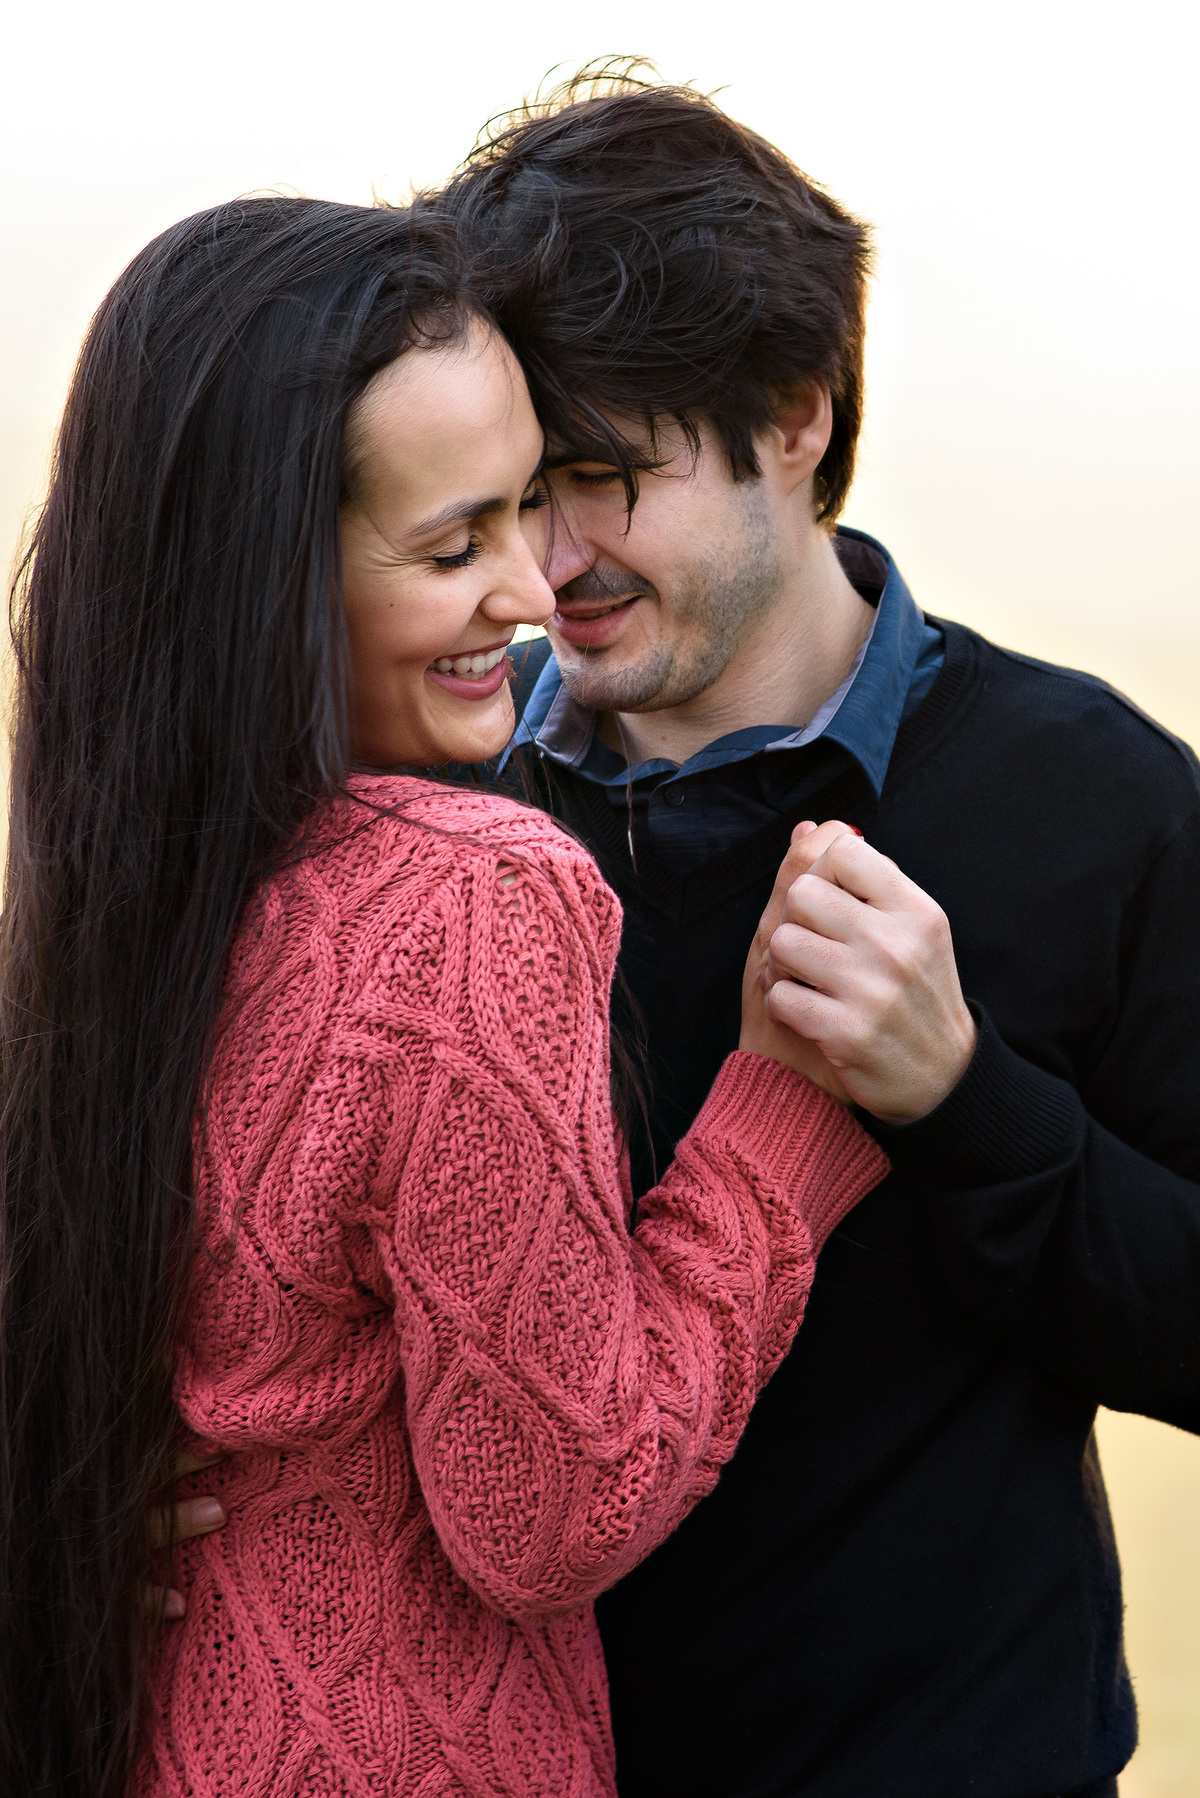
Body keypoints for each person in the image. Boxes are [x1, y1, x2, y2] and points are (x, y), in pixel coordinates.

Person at [0, 196, 888, 1798]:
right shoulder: (475, 890)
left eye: (533, 507)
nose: (538, 589)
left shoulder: (91, 897)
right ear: (265, 573)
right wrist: (783, 1123)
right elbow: (556, 1504)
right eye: (451, 544)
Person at [424, 68, 1199, 1798]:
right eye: (502, 494)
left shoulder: (1094, 796)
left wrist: (967, 1099)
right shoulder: (425, 790)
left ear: (796, 413)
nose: (546, 566)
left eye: (601, 479)